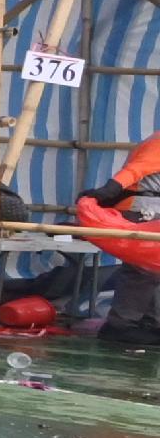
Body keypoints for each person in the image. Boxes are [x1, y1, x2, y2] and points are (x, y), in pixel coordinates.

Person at [71, 131, 160, 348]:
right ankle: (121, 324)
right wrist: (108, 191)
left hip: (147, 209)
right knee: (142, 270)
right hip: (144, 211)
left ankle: (147, 323)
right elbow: (135, 171)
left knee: (152, 270)